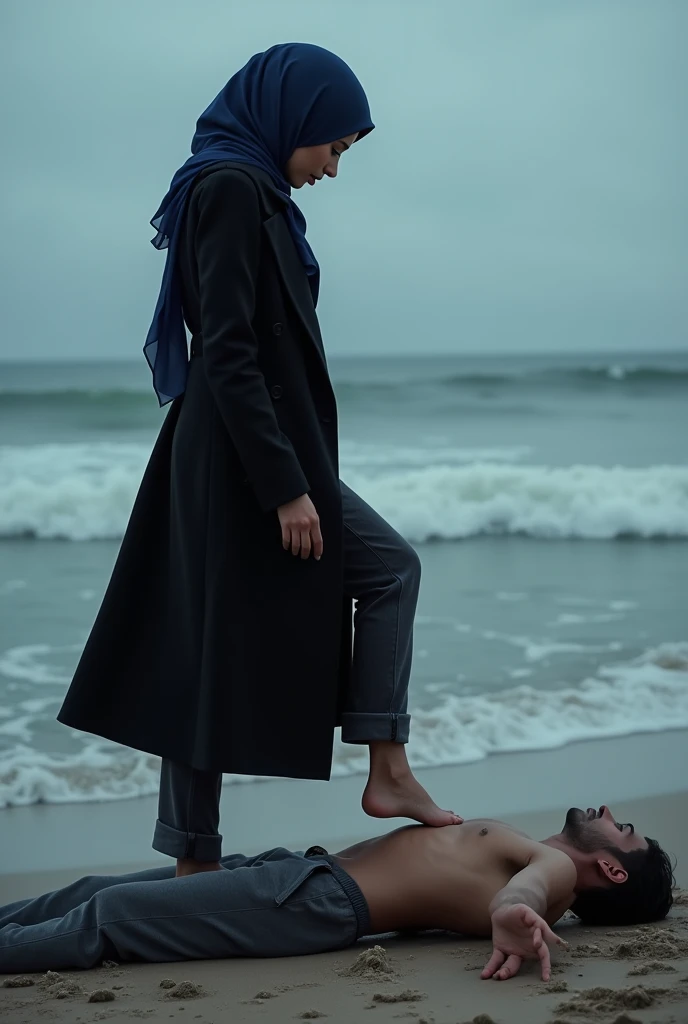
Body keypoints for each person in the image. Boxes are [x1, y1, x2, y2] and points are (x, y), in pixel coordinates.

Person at [56, 41, 460, 879]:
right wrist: (286, 490)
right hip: (241, 451)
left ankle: (381, 772)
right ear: (295, 119)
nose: (334, 169)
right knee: (228, 628)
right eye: (335, 147)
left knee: (280, 607)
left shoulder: (254, 190)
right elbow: (229, 349)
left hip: (250, 442)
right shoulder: (233, 188)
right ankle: (198, 865)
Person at [0, 804, 674, 978]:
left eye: (627, 830)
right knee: (92, 890)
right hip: (293, 871)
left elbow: (526, 888)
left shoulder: (546, 873)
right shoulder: (531, 854)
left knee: (110, 916)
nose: (612, 812)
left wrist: (513, 911)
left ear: (612, 870)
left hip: (311, 899)